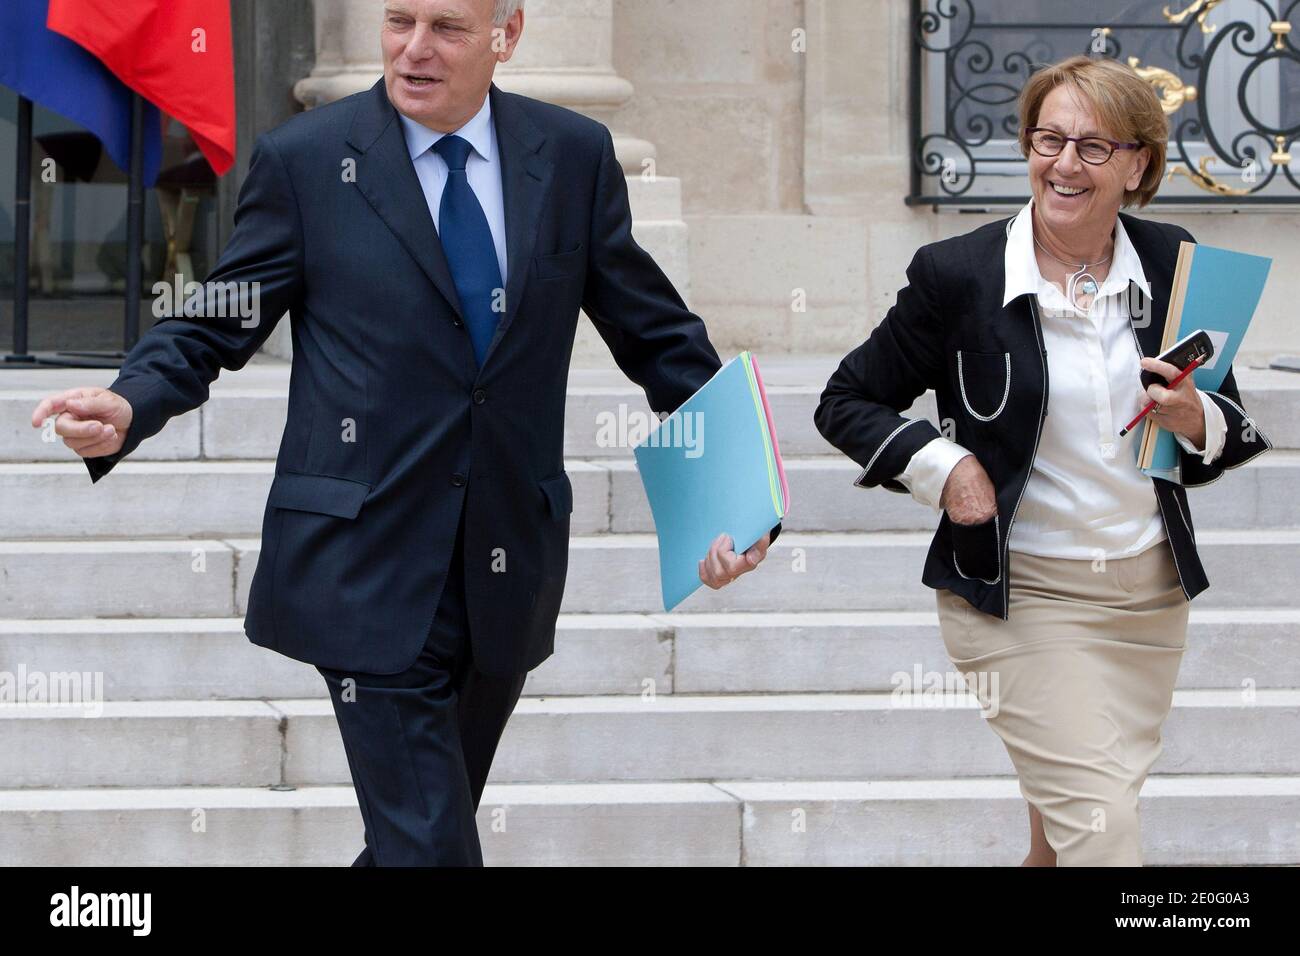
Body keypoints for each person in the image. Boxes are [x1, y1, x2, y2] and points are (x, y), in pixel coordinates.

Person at [30, 0, 776, 866]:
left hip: (505, 565)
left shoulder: (571, 157)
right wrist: (132, 401)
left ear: (508, 34)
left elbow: (656, 335)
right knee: (431, 848)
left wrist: (738, 498)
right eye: (398, 20)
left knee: (413, 842)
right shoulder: (308, 161)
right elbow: (216, 320)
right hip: (363, 564)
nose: (414, 50)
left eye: (447, 28)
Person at [814, 55, 1271, 866]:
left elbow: (1224, 429)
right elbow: (847, 399)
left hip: (1149, 603)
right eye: (1048, 138)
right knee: (1104, 835)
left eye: (1094, 148)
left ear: (1138, 165)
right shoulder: (957, 274)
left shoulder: (1174, 262)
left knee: (1063, 845)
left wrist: (1198, 416)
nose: (1064, 164)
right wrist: (944, 468)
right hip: (1019, 598)